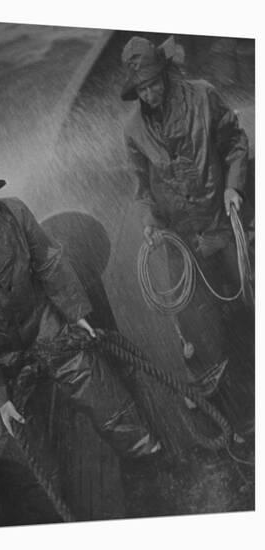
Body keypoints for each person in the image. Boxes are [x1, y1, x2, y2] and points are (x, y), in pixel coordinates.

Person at [0, 159, 160, 480]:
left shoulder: (15, 213)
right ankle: (51, 497)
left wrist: (76, 314)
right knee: (6, 436)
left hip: (43, 324)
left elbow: (49, 264)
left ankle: (148, 457)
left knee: (97, 383)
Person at [120, 36, 254, 427]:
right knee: (198, 320)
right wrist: (149, 222)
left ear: (165, 72)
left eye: (153, 83)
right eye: (141, 89)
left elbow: (235, 141)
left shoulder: (202, 95)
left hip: (219, 221)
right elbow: (141, 187)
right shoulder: (131, 129)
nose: (150, 93)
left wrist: (234, 185)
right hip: (178, 238)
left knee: (244, 297)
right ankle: (220, 389)